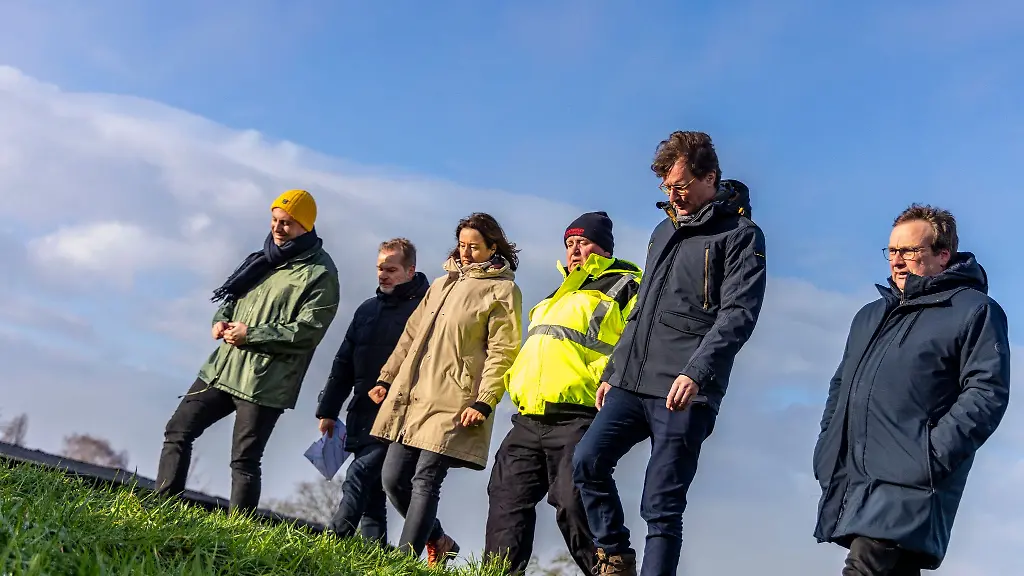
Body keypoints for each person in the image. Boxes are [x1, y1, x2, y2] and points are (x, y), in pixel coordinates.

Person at [572, 131, 768, 575]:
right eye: (666, 187)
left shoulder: (741, 235)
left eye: (680, 186)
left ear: (710, 177)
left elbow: (738, 314)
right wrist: (613, 368)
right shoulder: (663, 231)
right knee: (586, 461)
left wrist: (697, 372)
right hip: (630, 381)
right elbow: (641, 309)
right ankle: (615, 556)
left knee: (660, 505)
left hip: (685, 389)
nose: (673, 197)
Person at [813, 204, 1010, 575]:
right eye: (892, 251)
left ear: (942, 255)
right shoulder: (869, 316)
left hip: (911, 482)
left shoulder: (974, 310)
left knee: (865, 568)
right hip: (855, 479)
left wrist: (929, 455)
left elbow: (987, 392)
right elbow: (840, 387)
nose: (897, 261)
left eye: (910, 251)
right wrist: (827, 448)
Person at [155, 189, 340, 512]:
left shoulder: (321, 274)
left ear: (306, 226)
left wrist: (251, 334)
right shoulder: (263, 259)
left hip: (264, 382)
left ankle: (237, 533)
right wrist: (220, 320)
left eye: (287, 223)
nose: (278, 228)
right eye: (274, 220)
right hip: (223, 368)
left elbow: (308, 332)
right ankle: (163, 508)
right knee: (177, 430)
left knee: (244, 461)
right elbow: (233, 300)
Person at [483, 211, 642, 575]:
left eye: (581, 242)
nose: (573, 250)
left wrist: (614, 382)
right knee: (506, 501)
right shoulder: (555, 295)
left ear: (602, 246)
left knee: (574, 502)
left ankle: (608, 570)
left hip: (579, 415)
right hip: (528, 418)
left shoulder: (627, 285)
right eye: (569, 244)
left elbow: (638, 344)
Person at [369, 212, 524, 566]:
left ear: (492, 247)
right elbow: (411, 336)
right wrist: (385, 378)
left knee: (425, 480)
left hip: (457, 400)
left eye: (474, 246)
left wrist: (485, 401)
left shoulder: (503, 291)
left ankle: (402, 563)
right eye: (462, 245)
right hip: (415, 396)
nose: (466, 253)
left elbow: (504, 351)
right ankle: (438, 537)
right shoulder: (440, 284)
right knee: (392, 479)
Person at [315, 238, 428, 542]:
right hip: (363, 411)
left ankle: (333, 539)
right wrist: (328, 410)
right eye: (380, 268)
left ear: (410, 270)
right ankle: (372, 556)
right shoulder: (367, 310)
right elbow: (343, 364)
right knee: (372, 496)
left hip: (400, 416)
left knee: (359, 475)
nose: (382, 275)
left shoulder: (426, 310)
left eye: (391, 269)